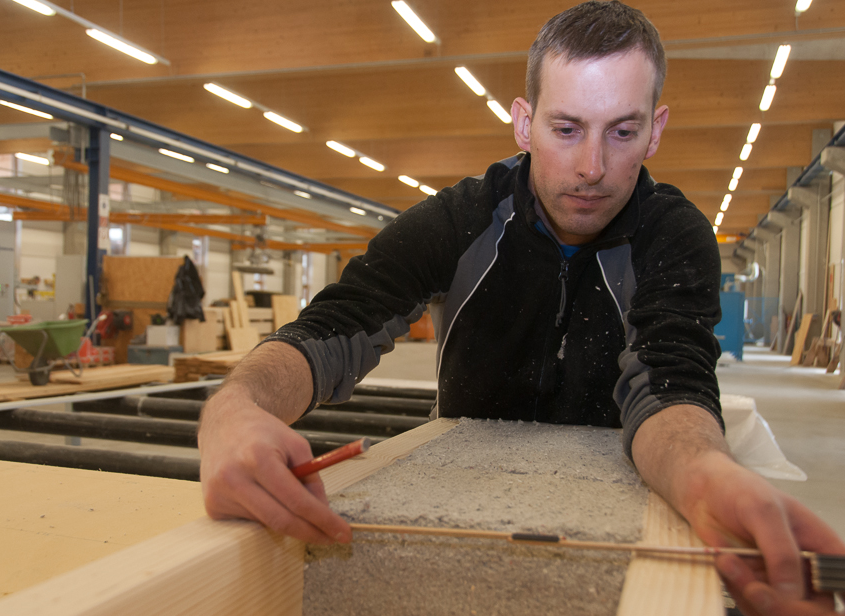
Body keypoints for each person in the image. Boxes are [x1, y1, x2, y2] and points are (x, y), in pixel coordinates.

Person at [198, 2, 845, 614]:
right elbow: (335, 326)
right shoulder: (463, 218)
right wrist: (236, 408)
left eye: (622, 132)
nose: (592, 166)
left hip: (617, 509)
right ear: (522, 121)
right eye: (566, 129)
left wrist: (705, 473)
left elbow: (671, 384)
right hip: (459, 505)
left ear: (656, 129)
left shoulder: (674, 235)